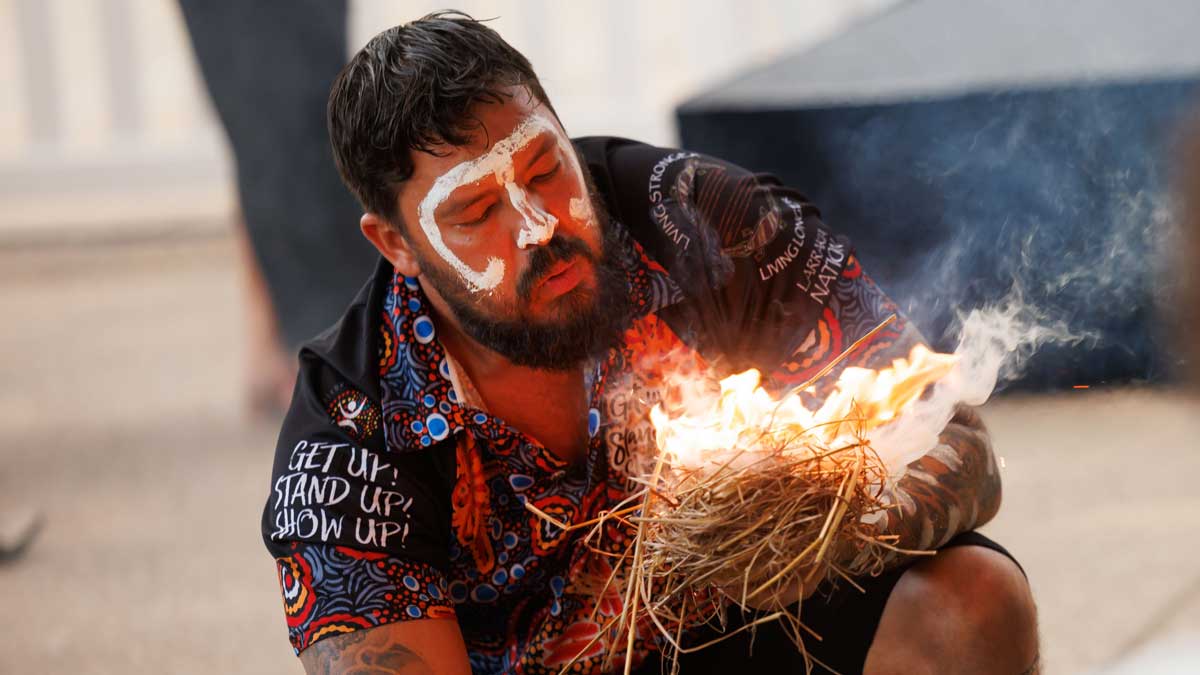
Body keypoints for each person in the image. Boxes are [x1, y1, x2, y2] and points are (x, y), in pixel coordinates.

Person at [262, 12, 1039, 674]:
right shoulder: (349, 442)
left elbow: (958, 440)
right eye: (474, 215)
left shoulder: (703, 223)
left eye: (545, 169)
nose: (538, 226)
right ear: (394, 244)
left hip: (760, 634)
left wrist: (828, 523)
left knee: (971, 601)